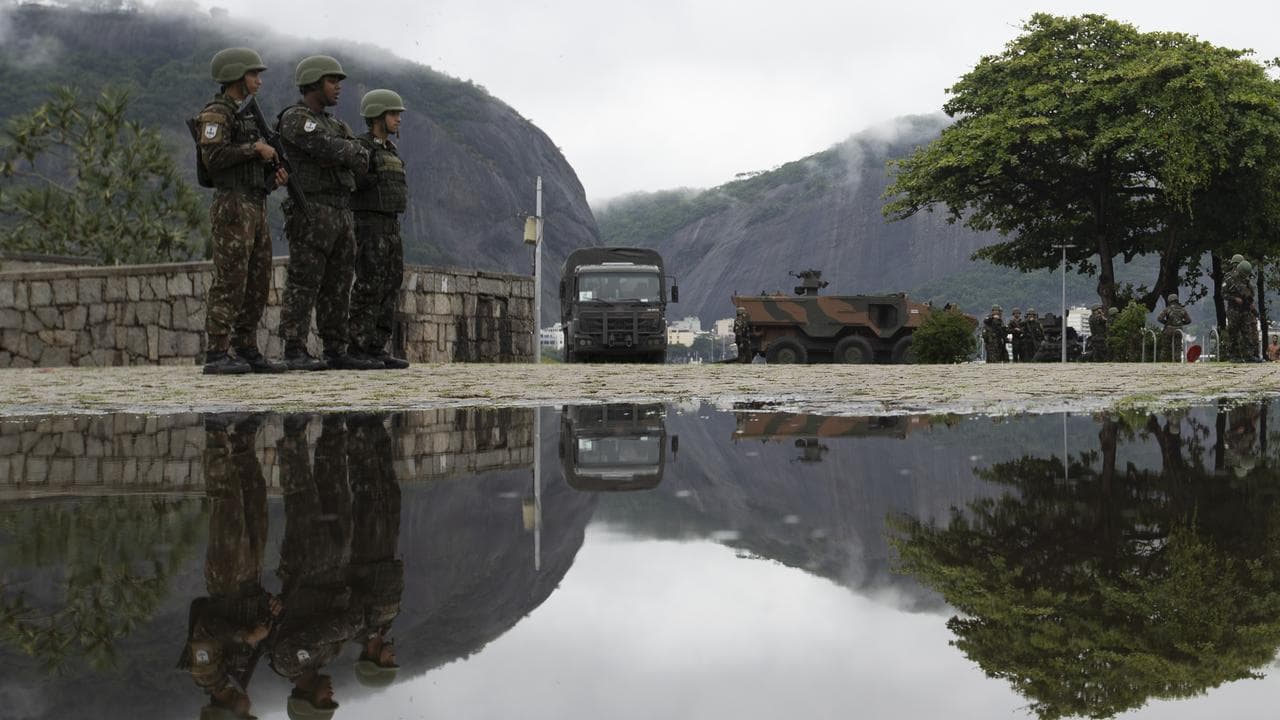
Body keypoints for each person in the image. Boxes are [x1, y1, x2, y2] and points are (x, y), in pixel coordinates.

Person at [275, 55, 376, 371]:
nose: (338, 88)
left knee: (339, 282)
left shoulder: (337, 124)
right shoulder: (295, 118)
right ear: (315, 83)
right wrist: (345, 152)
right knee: (305, 280)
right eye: (333, 81)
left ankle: (335, 347)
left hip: (341, 211)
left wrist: (344, 152)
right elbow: (327, 147)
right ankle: (294, 347)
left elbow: (362, 158)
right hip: (312, 210)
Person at [194, 48, 289, 375]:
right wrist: (255, 148)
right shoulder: (216, 114)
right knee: (231, 277)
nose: (259, 81)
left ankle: (246, 346)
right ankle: (218, 350)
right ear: (237, 75)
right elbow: (214, 158)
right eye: (253, 74)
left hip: (254, 202)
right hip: (233, 205)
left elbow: (248, 167)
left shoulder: (246, 114)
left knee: (258, 279)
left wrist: (272, 179)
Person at [178, 413, 279, 719]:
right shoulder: (239, 677)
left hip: (227, 580)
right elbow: (252, 627)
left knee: (227, 503)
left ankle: (216, 432)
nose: (252, 711)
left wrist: (246, 636)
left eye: (247, 717)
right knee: (254, 500)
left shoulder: (205, 673)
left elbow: (206, 628)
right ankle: (243, 441)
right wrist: (268, 610)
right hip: (250, 583)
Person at [271, 414, 360, 720]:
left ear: (306, 698)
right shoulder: (325, 659)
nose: (332, 695)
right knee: (336, 490)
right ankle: (334, 429)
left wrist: (345, 627)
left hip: (305, 569)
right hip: (334, 569)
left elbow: (323, 630)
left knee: (302, 497)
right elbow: (347, 620)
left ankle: (294, 432)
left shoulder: (286, 664)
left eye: (325, 701)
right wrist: (346, 625)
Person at [349, 90, 411, 369]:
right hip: (369, 224)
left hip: (390, 224)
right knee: (368, 284)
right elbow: (356, 181)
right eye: (393, 114)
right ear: (377, 116)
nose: (398, 119)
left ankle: (377, 345)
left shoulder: (390, 150)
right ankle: (358, 346)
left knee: (390, 283)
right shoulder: (362, 147)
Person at [346, 413, 404, 689]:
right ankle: (377, 431)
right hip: (387, 551)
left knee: (369, 493)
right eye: (393, 661)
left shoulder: (356, 628)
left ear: (372, 659)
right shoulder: (386, 624)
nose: (393, 656)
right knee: (390, 493)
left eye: (388, 661)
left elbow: (351, 593)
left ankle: (357, 429)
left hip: (367, 552)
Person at [1224, 260, 1259, 362]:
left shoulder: (1246, 280)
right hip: (1233, 310)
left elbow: (1251, 293)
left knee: (1247, 333)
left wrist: (1251, 302)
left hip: (1245, 310)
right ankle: (1234, 356)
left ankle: (1249, 356)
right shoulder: (1229, 279)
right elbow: (1223, 294)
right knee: (1233, 333)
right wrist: (1234, 298)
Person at [1156, 293, 1191, 362]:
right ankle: (1177, 362)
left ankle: (1164, 361)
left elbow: (1159, 318)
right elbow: (1189, 320)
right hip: (1179, 330)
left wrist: (1166, 323)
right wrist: (1181, 323)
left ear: (1169, 300)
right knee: (1177, 347)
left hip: (1168, 330)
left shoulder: (1168, 309)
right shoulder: (1182, 310)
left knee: (1166, 347)